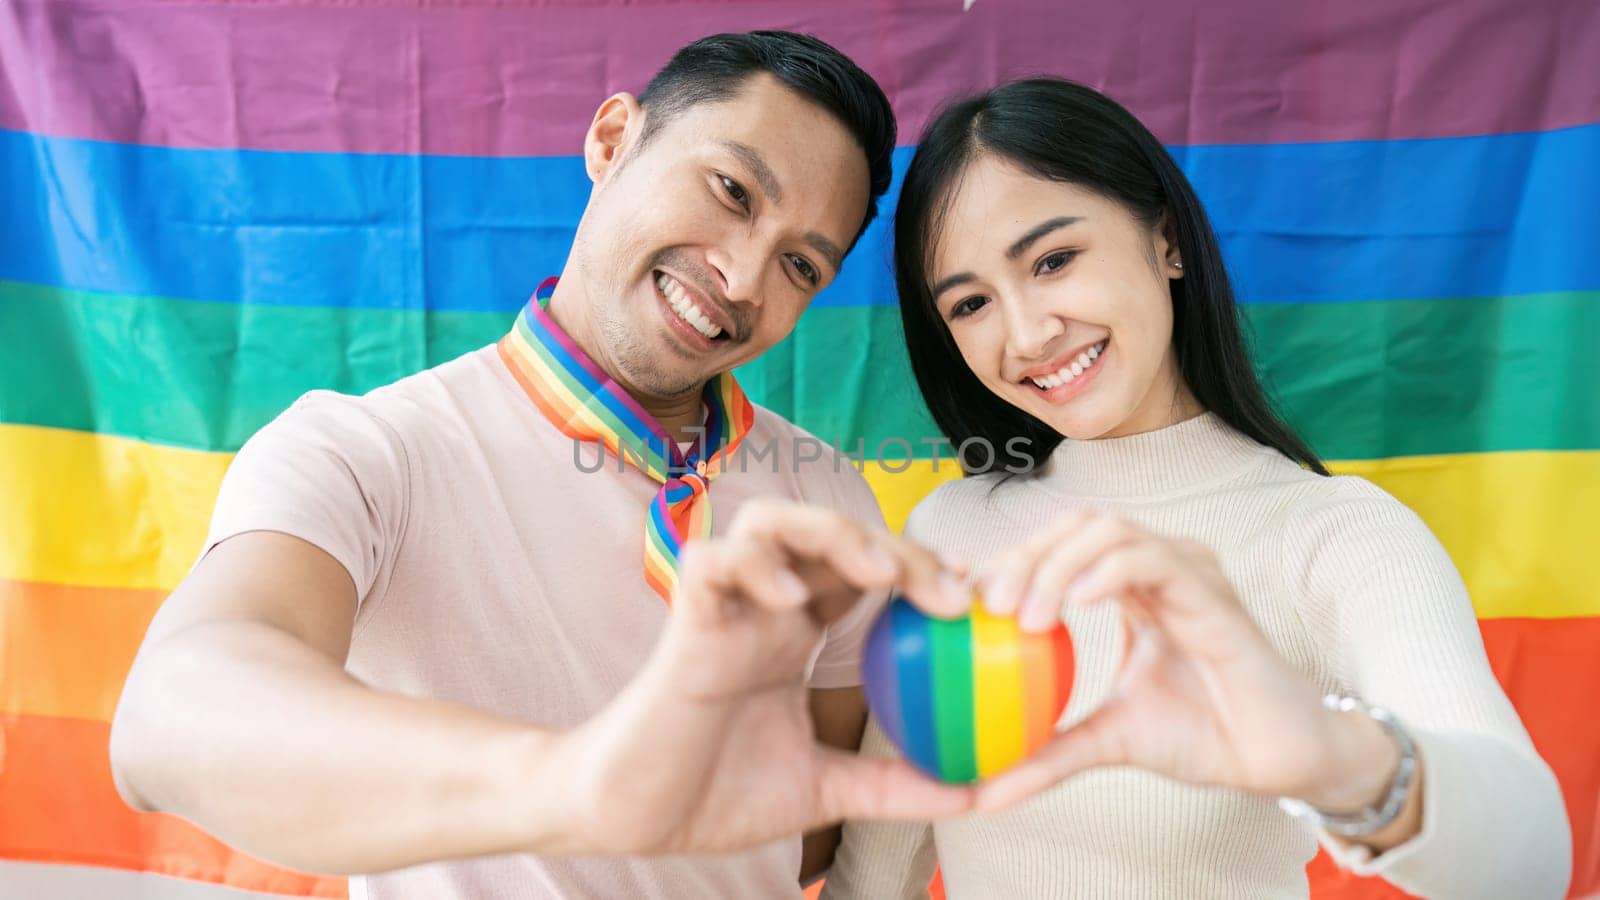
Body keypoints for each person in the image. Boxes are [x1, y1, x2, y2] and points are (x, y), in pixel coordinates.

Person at [109, 31, 983, 899]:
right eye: (731, 191)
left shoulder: (825, 492)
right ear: (612, 141)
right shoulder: (368, 454)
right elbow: (169, 721)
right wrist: (582, 785)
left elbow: (810, 830)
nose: (744, 277)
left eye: (800, 263)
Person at [822, 77, 1572, 899]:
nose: (1028, 334)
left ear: (1167, 239)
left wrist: (1333, 755)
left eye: (1054, 260)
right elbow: (878, 865)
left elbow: (1530, 865)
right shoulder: (949, 532)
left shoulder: (1336, 538)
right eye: (970, 304)